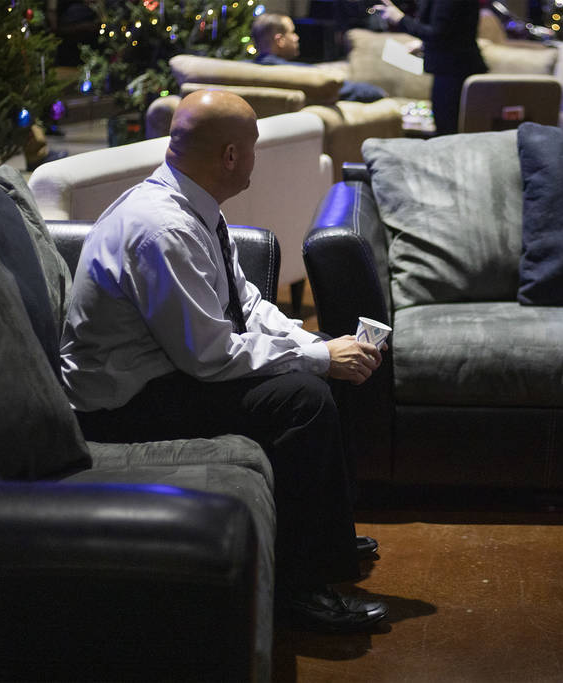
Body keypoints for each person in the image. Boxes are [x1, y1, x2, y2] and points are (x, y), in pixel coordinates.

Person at [60, 89, 388, 633]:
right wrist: (314, 359)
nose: (256, 159)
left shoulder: (195, 208)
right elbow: (210, 357)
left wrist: (317, 346)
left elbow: (248, 303)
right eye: (253, 147)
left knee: (325, 358)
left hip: (168, 369)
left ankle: (325, 535)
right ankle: (300, 591)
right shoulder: (162, 229)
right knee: (303, 398)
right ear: (231, 156)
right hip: (122, 403)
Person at [371, 0, 487, 136]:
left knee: (448, 133)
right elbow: (453, 31)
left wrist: (399, 18)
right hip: (453, 69)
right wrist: (423, 45)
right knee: (447, 130)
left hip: (454, 71)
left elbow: (438, 33)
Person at [250, 12, 388, 103]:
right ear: (280, 40)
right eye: (292, 32)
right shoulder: (298, 73)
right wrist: (379, 92)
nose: (296, 37)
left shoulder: (245, 70)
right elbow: (345, 89)